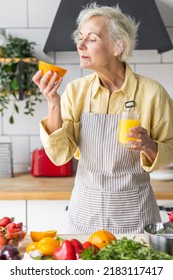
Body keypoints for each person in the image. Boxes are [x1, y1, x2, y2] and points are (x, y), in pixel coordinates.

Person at [32, 3, 173, 234]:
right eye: (80, 37)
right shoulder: (76, 92)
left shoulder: (152, 93)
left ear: (118, 46)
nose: (80, 45)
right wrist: (53, 103)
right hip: (85, 215)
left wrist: (149, 146)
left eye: (92, 38)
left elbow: (170, 150)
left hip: (135, 217)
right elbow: (59, 155)